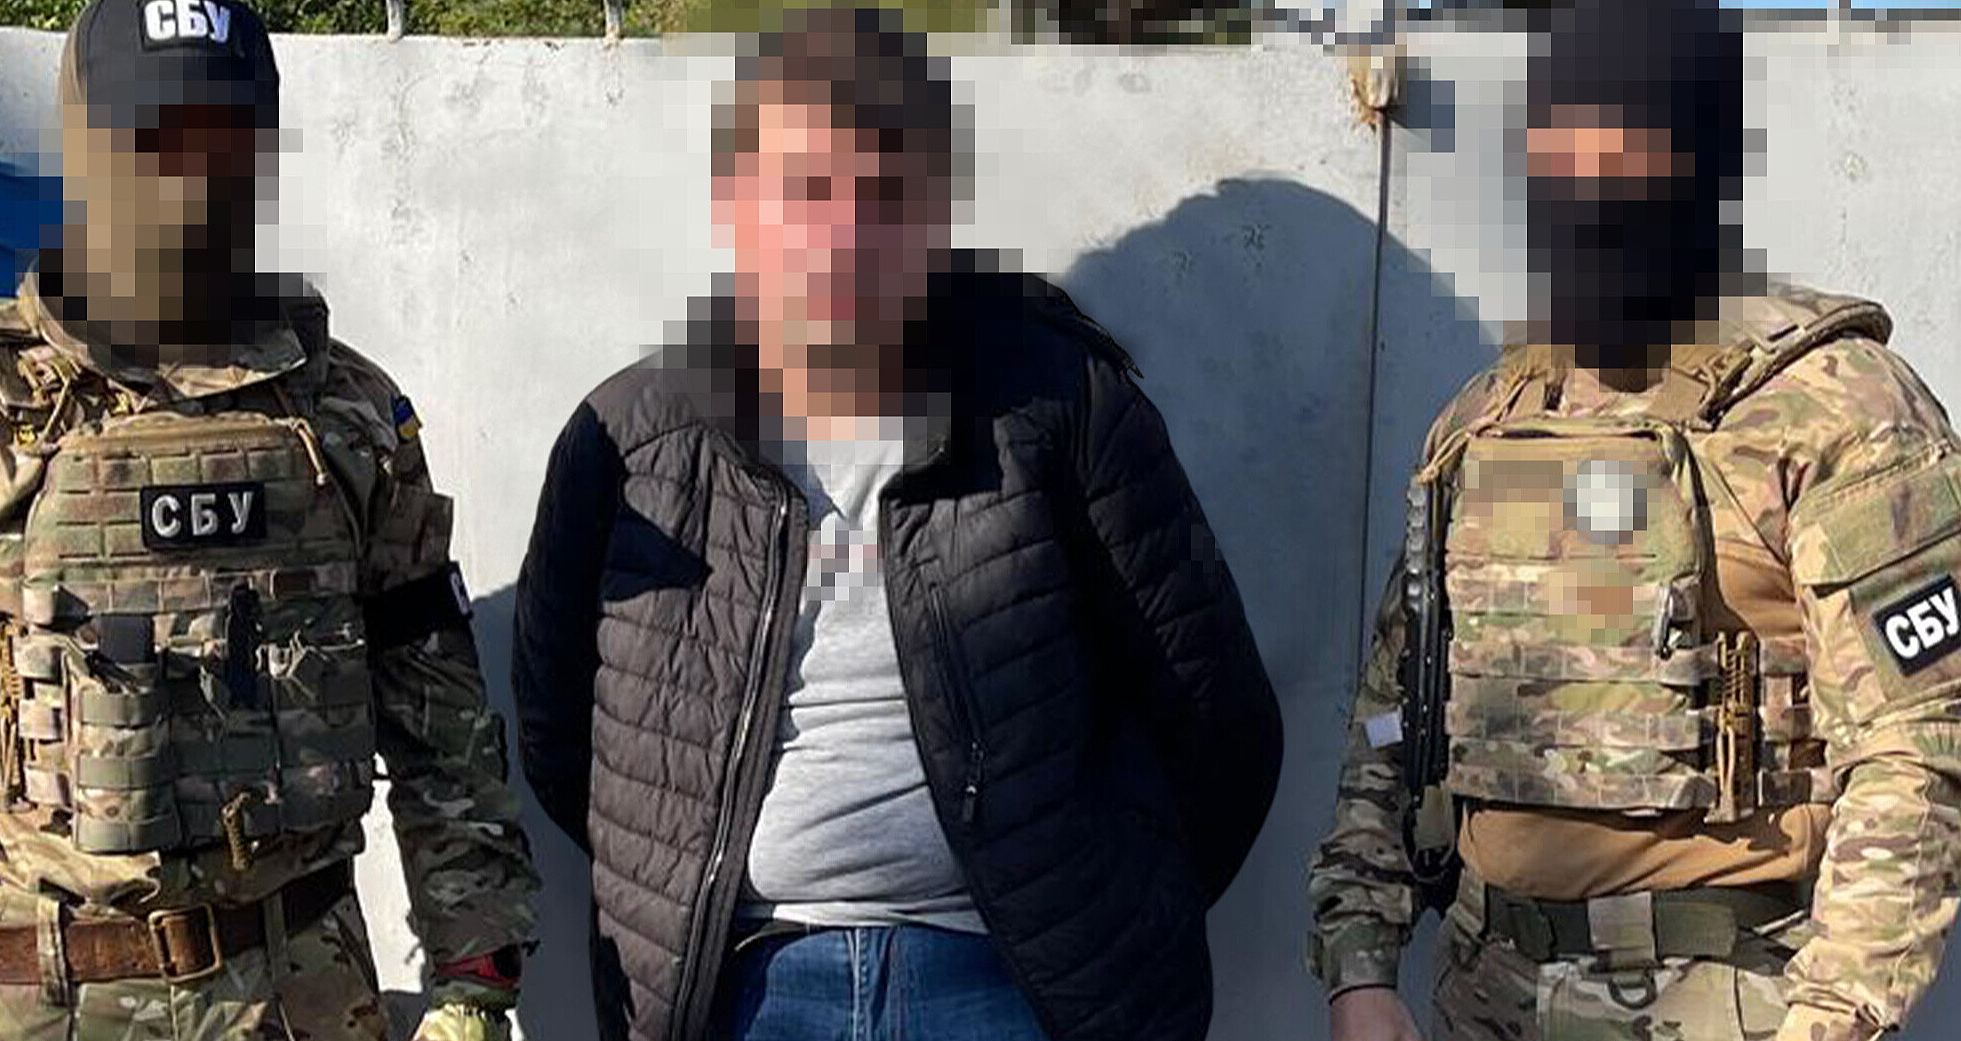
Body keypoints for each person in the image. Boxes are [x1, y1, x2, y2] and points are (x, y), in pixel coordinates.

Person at [512, 7, 1284, 1041]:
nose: (841, 237)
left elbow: (1214, 715)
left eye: (882, 195)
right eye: (805, 191)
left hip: (1011, 987)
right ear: (738, 203)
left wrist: (1104, 917)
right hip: (744, 985)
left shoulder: (1059, 410)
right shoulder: (632, 441)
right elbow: (561, 732)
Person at [1307, 3, 1961, 1041]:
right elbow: (1395, 716)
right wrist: (1359, 965)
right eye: (1554, 149)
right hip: (1482, 994)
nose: (1582, 185)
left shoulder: (1835, 407)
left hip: (1733, 1004)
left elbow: (1915, 753)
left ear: (1696, 160)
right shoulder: (1487, 418)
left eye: (1621, 147)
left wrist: (1832, 1020)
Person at [0, 1, 539, 1038]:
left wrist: (473, 979)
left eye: (225, 140)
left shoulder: (345, 411)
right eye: (154, 140)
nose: (192, 180)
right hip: (49, 999)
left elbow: (440, 721)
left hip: (304, 994)